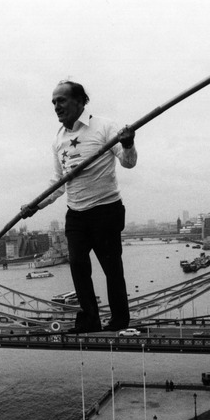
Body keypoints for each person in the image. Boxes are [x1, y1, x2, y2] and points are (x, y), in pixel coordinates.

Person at [22, 80, 137, 334]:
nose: (56, 106)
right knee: (77, 266)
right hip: (76, 214)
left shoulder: (105, 127)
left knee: (111, 268)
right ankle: (89, 320)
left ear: (80, 100)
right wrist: (35, 205)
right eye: (53, 102)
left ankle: (119, 319)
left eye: (61, 100)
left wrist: (128, 144)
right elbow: (58, 182)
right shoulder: (59, 140)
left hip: (106, 209)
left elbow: (128, 163)